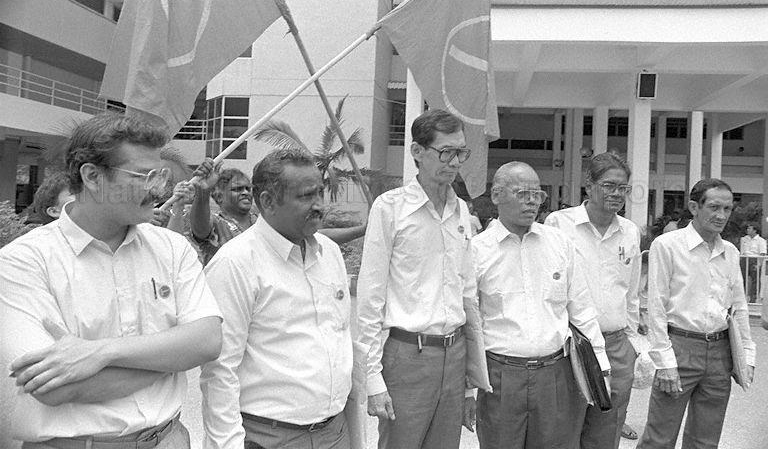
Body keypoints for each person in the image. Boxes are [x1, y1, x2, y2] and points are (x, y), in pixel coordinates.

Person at [0, 114, 222, 448]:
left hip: (169, 439)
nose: (157, 188)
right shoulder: (24, 262)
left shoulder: (172, 249)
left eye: (159, 175)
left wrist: (98, 353)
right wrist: (173, 356)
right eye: (143, 176)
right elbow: (55, 387)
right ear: (92, 176)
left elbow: (206, 342)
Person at [200, 149, 352, 449]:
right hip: (268, 438)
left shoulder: (329, 253)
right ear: (268, 201)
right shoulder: (235, 263)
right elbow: (220, 370)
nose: (320, 206)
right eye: (307, 196)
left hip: (334, 432)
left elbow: (341, 335)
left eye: (321, 193)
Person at [357, 109, 481, 449]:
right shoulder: (390, 209)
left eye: (461, 152)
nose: (455, 162)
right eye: (446, 152)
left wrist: (470, 380)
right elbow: (370, 298)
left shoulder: (462, 212)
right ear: (417, 152)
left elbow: (467, 295)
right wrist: (372, 379)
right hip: (407, 356)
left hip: (454, 355)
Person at [469, 162, 609, 449]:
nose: (532, 202)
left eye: (538, 194)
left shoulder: (560, 244)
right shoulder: (476, 251)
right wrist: (468, 388)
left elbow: (581, 309)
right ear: (496, 196)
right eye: (523, 193)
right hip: (500, 377)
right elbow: (470, 324)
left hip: (556, 374)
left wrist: (602, 368)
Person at [638, 178, 756, 449]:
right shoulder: (667, 246)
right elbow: (656, 305)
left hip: (719, 353)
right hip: (679, 348)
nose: (721, 215)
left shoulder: (731, 252)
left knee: (705, 441)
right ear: (694, 206)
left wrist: (747, 355)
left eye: (727, 209)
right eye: (714, 207)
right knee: (659, 438)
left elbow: (739, 307)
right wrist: (664, 361)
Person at [545, 152, 641, 449]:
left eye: (623, 188)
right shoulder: (559, 224)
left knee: (606, 432)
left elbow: (632, 292)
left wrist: (632, 344)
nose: (616, 194)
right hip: (571, 345)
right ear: (589, 186)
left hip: (616, 345)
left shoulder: (630, 232)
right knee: (564, 431)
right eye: (609, 186)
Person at [189, 158, 366, 265]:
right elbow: (200, 228)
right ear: (218, 197)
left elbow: (319, 236)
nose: (245, 192)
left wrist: (363, 229)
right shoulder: (216, 223)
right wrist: (203, 192)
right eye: (237, 189)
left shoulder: (263, 220)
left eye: (248, 188)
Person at [739, 223, 766, 302]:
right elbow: (742, 251)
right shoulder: (744, 239)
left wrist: (759, 264)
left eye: (750, 228)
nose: (747, 230)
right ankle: (741, 297)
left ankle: (753, 298)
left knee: (755, 280)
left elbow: (762, 253)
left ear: (755, 230)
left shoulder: (761, 240)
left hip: (755, 260)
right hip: (744, 259)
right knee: (741, 278)